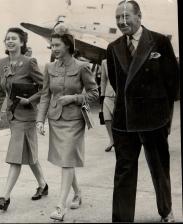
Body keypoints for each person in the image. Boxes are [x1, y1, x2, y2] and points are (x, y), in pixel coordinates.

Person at [106, 1, 179, 222]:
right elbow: (117, 83)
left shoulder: (159, 42)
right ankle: (121, 219)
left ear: (139, 16)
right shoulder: (113, 47)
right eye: (118, 17)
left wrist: (166, 118)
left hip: (154, 118)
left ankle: (166, 210)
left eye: (127, 16)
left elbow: (172, 83)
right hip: (124, 120)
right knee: (124, 173)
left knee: (159, 168)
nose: (122, 22)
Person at [36, 23, 98, 221]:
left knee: (67, 160)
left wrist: (74, 98)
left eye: (57, 45)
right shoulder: (49, 67)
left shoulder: (82, 67)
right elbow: (45, 95)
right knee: (66, 161)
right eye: (52, 46)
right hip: (56, 119)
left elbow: (94, 93)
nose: (53, 49)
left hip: (74, 120)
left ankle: (60, 206)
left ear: (68, 46)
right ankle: (77, 193)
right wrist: (40, 120)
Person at [0, 27, 48, 211]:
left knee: (16, 156)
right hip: (12, 115)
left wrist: (30, 100)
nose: (10, 41)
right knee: (29, 152)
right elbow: (0, 89)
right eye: (7, 38)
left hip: (27, 116)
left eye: (14, 38)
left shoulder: (29, 62)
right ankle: (43, 184)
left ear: (22, 42)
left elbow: (45, 87)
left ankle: (4, 196)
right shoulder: (1, 63)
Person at [99, 59, 116, 152]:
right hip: (107, 94)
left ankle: (120, 140)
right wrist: (102, 95)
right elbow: (103, 80)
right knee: (107, 118)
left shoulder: (123, 59)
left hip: (120, 95)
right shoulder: (105, 62)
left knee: (118, 120)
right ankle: (111, 140)